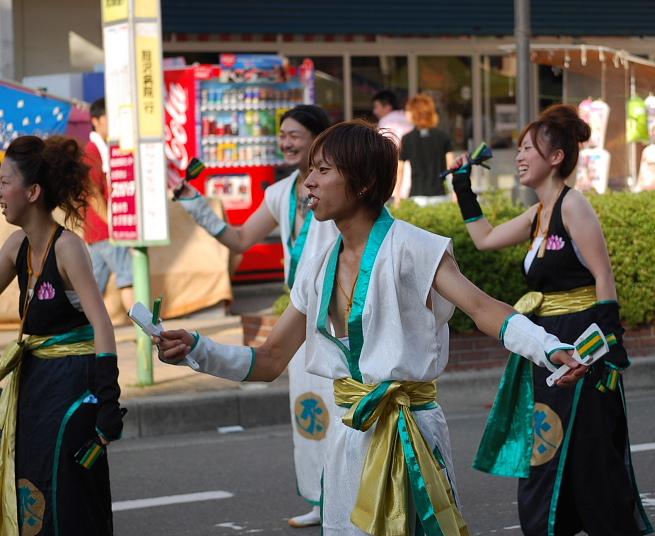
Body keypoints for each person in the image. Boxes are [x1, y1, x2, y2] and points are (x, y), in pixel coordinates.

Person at [154, 119, 588, 535]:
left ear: (362, 184)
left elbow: (482, 307)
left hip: (411, 433)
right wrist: (195, 347)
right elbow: (269, 360)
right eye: (310, 171)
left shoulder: (413, 247)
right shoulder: (317, 267)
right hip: (347, 436)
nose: (309, 183)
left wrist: (547, 347)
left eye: (323, 171)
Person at [450, 104, 652, 535]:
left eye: (528, 148)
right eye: (519, 148)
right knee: (544, 446)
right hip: (546, 346)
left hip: (582, 347)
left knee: (590, 453)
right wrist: (464, 188)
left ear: (556, 157)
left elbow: (602, 275)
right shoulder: (537, 214)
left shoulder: (572, 205)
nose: (519, 156)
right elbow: (484, 240)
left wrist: (609, 349)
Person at [172, 104, 338, 528]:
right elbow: (241, 238)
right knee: (309, 410)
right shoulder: (282, 192)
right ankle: (321, 498)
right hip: (299, 316)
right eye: (282, 134)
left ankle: (350, 493)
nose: (285, 142)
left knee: (343, 409)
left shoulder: (342, 188)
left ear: (319, 139)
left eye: (295, 134)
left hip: (338, 317)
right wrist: (194, 204)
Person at [0, 135, 124, 534]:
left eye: (4, 182)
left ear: (32, 191)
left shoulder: (68, 248)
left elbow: (102, 324)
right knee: (29, 480)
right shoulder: (15, 245)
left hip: (72, 390)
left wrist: (108, 398)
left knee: (67, 490)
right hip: (33, 386)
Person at [82, 98, 134, 310]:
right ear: (96, 120)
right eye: (109, 117)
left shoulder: (99, 149)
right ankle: (146, 332)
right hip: (105, 231)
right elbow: (93, 193)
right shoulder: (93, 151)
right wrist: (113, 224)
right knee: (129, 279)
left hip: (95, 231)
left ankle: (77, 331)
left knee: (92, 289)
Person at [396, 94, 455, 204]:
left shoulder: (407, 139)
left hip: (417, 196)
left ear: (415, 113)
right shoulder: (443, 136)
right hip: (441, 195)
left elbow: (400, 169)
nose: (406, 114)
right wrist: (456, 192)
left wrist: (397, 196)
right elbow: (452, 166)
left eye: (408, 111)